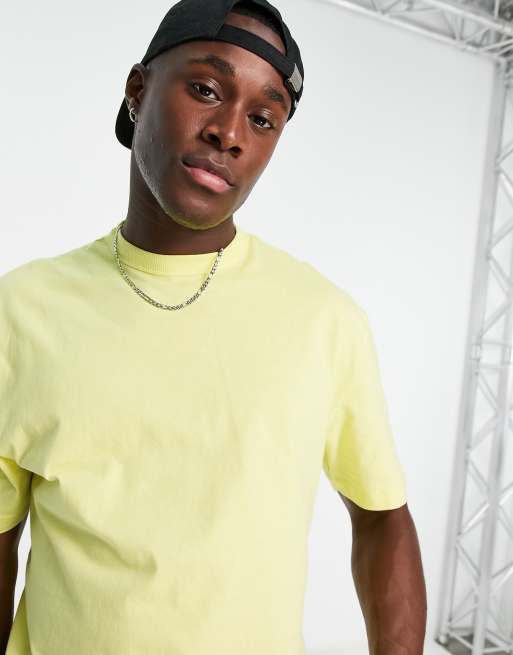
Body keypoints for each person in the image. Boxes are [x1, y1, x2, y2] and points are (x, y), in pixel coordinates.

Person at [0, 0, 427, 653]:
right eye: (205, 89)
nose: (228, 133)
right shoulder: (23, 309)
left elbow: (381, 518)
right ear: (137, 90)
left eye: (262, 118)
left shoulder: (322, 320)